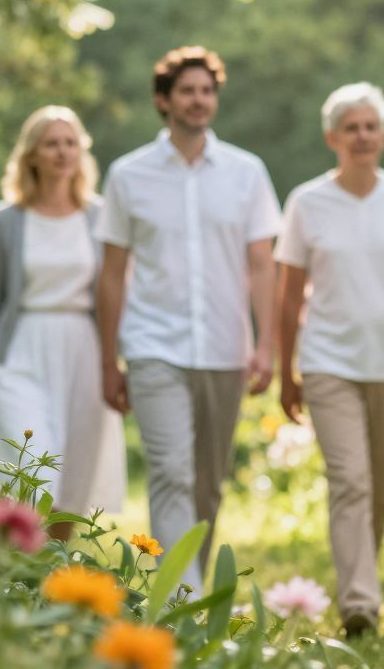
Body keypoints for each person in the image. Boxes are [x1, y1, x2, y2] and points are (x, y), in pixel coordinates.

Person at [96, 47, 282, 590]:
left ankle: (188, 581)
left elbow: (262, 266)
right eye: (187, 91)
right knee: (171, 473)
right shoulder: (128, 176)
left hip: (225, 347)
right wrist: (110, 360)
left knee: (208, 483)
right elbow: (111, 274)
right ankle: (180, 600)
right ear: (163, 100)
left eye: (207, 91)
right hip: (154, 345)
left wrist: (266, 345)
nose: (199, 101)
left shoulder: (247, 173)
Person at [275, 81, 384, 637]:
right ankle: (359, 602)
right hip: (329, 362)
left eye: (370, 126)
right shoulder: (307, 203)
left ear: (383, 134)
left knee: (377, 489)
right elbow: (288, 295)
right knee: (349, 480)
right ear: (333, 136)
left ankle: (362, 579)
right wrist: (288, 371)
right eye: (350, 128)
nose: (361, 136)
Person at [0, 105, 125, 540]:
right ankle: (12, 563)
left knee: (72, 477)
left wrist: (116, 362)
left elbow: (116, 293)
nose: (62, 152)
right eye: (51, 143)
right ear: (32, 155)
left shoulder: (99, 216)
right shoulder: (6, 220)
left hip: (83, 352)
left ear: (82, 151)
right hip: (20, 349)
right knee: (34, 463)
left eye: (70, 143)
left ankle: (46, 582)